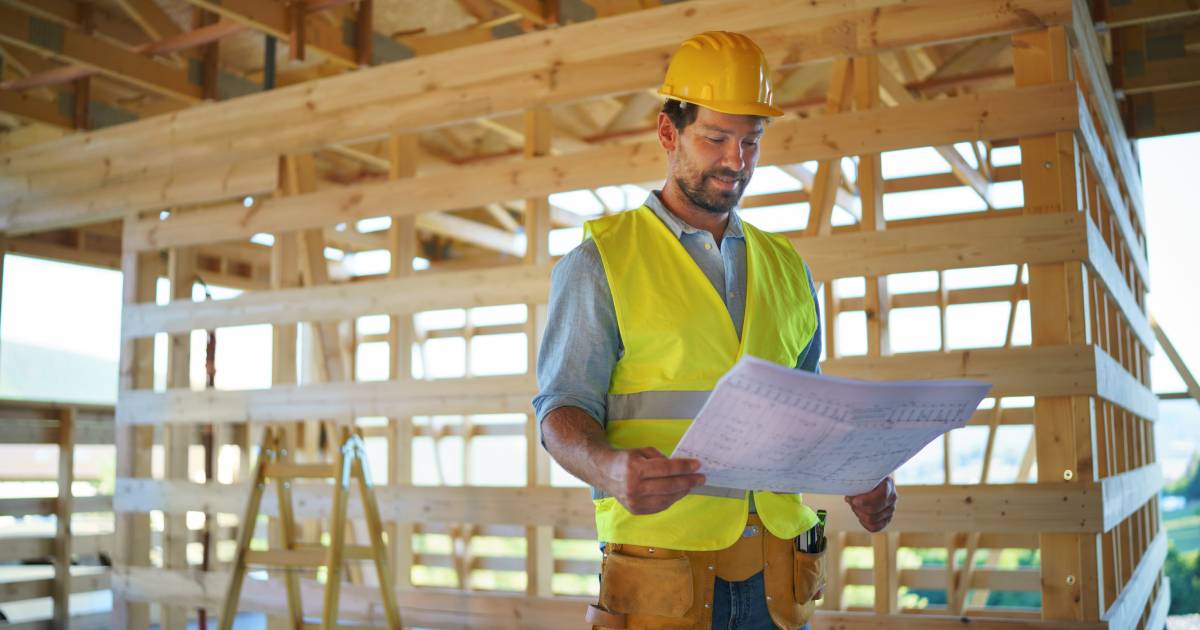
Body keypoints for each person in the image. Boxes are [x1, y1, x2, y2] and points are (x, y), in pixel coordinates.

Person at [533, 31, 897, 630]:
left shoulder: (789, 268)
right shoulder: (601, 261)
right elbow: (561, 409)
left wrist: (858, 474)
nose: (737, 161)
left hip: (781, 579)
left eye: (751, 141)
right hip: (660, 575)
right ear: (668, 133)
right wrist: (608, 468)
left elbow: (807, 410)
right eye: (716, 138)